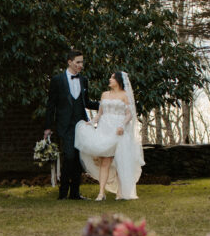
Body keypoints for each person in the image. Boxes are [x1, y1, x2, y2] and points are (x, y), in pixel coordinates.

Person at [75, 70, 144, 200]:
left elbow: (129, 114)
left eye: (112, 78)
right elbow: (100, 114)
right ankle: (101, 193)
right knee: (105, 161)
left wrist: (122, 125)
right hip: (105, 129)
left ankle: (119, 191)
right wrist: (91, 123)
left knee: (119, 161)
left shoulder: (125, 95)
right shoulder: (104, 95)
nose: (110, 80)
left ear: (118, 81)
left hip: (118, 130)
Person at [45, 49, 100, 200]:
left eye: (82, 62)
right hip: (65, 126)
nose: (81, 65)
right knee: (69, 156)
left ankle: (75, 194)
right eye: (78, 62)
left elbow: (86, 102)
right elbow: (51, 105)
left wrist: (105, 104)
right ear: (69, 62)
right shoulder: (57, 80)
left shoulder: (84, 80)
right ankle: (63, 193)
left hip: (81, 125)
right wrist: (48, 127)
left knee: (78, 159)